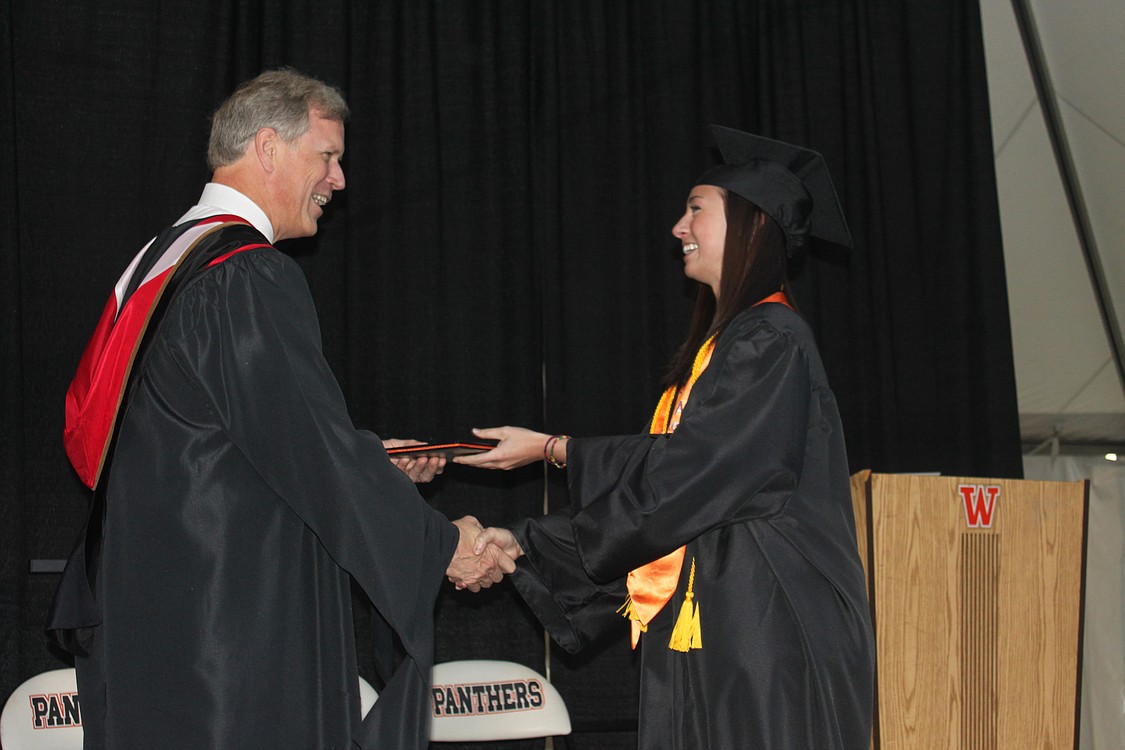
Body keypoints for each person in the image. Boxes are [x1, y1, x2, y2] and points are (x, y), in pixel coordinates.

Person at [47, 68, 501, 750]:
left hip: (149, 606)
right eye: (327, 156)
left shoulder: (163, 257)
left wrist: (369, 457)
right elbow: (309, 452)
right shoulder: (245, 274)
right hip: (226, 627)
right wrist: (440, 545)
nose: (339, 180)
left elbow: (205, 435)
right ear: (267, 148)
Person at [456, 126, 875, 749]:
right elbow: (675, 469)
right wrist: (544, 471)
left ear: (754, 226)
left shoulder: (771, 342)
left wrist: (538, 512)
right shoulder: (734, 344)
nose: (678, 227)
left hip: (769, 631)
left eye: (696, 210)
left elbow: (686, 479)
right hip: (722, 623)